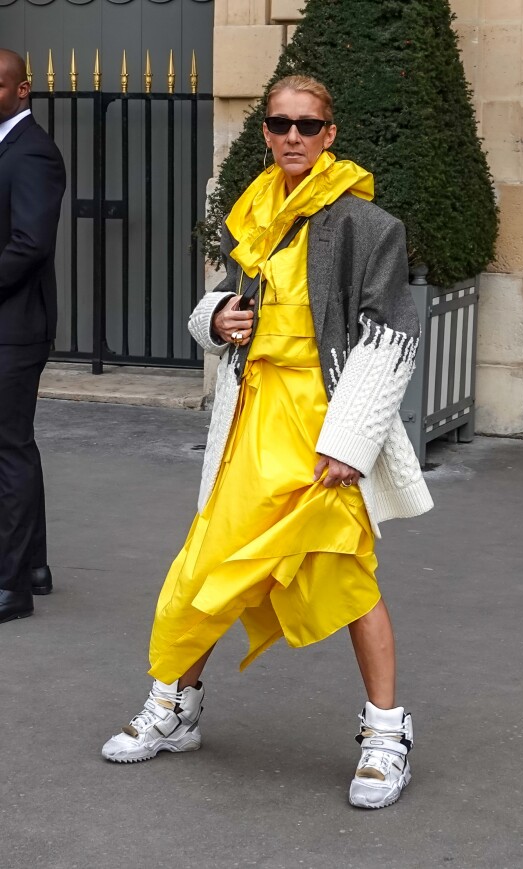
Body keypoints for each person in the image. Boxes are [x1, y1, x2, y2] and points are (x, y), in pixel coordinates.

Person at [102, 75, 433, 809]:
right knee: (209, 565)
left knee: (346, 576)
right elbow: (221, 298)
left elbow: (389, 337)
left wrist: (349, 440)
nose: (292, 137)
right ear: (267, 131)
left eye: (307, 125)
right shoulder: (252, 210)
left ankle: (386, 733)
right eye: (280, 124)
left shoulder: (366, 226)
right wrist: (217, 317)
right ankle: (174, 706)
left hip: (321, 428)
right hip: (252, 421)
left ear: (330, 133)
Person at [0, 49, 66, 624]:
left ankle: (9, 587)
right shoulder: (6, 145)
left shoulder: (34, 152)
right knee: (13, 444)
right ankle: (35, 567)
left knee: (7, 450)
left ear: (23, 90)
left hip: (14, 326)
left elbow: (29, 244)